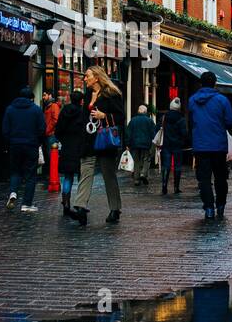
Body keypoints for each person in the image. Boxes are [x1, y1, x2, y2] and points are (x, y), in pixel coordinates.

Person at [70, 66, 126, 227]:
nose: (84, 79)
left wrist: (105, 116)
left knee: (109, 175)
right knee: (86, 171)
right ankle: (81, 207)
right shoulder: (88, 94)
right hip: (89, 139)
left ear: (96, 77)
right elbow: (84, 117)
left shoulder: (112, 94)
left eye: (87, 76)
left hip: (104, 140)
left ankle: (115, 208)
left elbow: (121, 117)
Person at [189, 70, 232, 221]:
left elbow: (191, 121)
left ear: (201, 83)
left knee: (204, 179)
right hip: (218, 146)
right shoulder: (222, 100)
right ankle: (220, 206)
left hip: (201, 146)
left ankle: (209, 208)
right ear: (215, 83)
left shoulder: (192, 100)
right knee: (220, 178)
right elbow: (229, 122)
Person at [2, 86, 47, 214]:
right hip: (31, 145)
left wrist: (10, 142)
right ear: (31, 98)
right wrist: (38, 142)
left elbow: (5, 130)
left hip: (15, 145)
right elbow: (42, 128)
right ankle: (26, 204)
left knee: (15, 172)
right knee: (30, 175)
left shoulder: (10, 109)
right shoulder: (36, 110)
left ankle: (13, 192)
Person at [55, 89, 86, 216]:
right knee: (82, 178)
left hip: (67, 147)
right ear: (81, 101)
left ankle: (66, 202)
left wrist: (63, 140)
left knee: (68, 177)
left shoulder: (64, 112)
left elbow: (58, 130)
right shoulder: (82, 113)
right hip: (79, 147)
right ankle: (80, 203)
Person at [160, 97, 189, 195]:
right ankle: (176, 187)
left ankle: (164, 186)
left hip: (166, 144)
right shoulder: (181, 118)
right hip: (177, 145)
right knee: (177, 166)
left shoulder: (165, 117)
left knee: (166, 166)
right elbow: (184, 133)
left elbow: (160, 129)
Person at [125, 104, 158, 186]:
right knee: (146, 159)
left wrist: (127, 143)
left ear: (138, 111)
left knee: (136, 161)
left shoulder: (133, 120)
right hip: (146, 144)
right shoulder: (149, 121)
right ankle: (143, 174)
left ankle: (136, 179)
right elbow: (153, 133)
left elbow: (128, 133)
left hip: (135, 144)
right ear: (145, 112)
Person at [42, 91, 61, 173]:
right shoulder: (48, 106)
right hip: (49, 134)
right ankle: (52, 173)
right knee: (50, 155)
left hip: (51, 134)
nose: (43, 97)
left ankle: (54, 174)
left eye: (44, 95)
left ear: (50, 95)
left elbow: (55, 120)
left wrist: (47, 130)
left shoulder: (54, 106)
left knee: (52, 156)